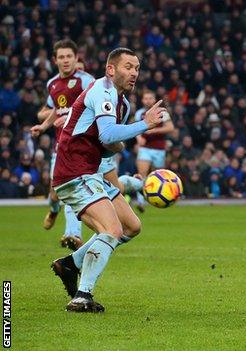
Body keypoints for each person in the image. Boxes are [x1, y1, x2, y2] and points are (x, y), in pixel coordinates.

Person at [49, 47, 165, 312]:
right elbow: (110, 134)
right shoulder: (103, 89)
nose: (134, 72)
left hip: (92, 171)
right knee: (111, 230)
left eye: (137, 68)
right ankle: (82, 297)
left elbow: (107, 143)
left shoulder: (122, 104)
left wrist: (118, 147)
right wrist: (144, 125)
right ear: (111, 69)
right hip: (73, 172)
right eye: (128, 67)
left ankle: (70, 264)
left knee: (131, 226)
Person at [30, 39, 95, 250]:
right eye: (61, 57)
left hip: (82, 146)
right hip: (61, 145)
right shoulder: (52, 84)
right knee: (55, 193)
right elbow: (57, 110)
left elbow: (95, 109)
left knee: (71, 190)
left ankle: (73, 234)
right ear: (55, 60)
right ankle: (53, 209)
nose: (66, 60)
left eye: (69, 56)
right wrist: (43, 126)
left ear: (76, 58)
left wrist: (68, 121)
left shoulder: (87, 81)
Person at [133, 90, 174, 211]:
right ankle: (141, 202)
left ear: (154, 99)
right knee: (142, 175)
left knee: (158, 177)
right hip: (145, 148)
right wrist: (139, 137)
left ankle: (157, 199)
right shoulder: (139, 113)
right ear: (142, 100)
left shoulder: (162, 112)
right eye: (145, 98)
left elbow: (170, 127)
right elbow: (135, 127)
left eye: (150, 98)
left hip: (159, 148)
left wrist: (153, 131)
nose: (148, 101)